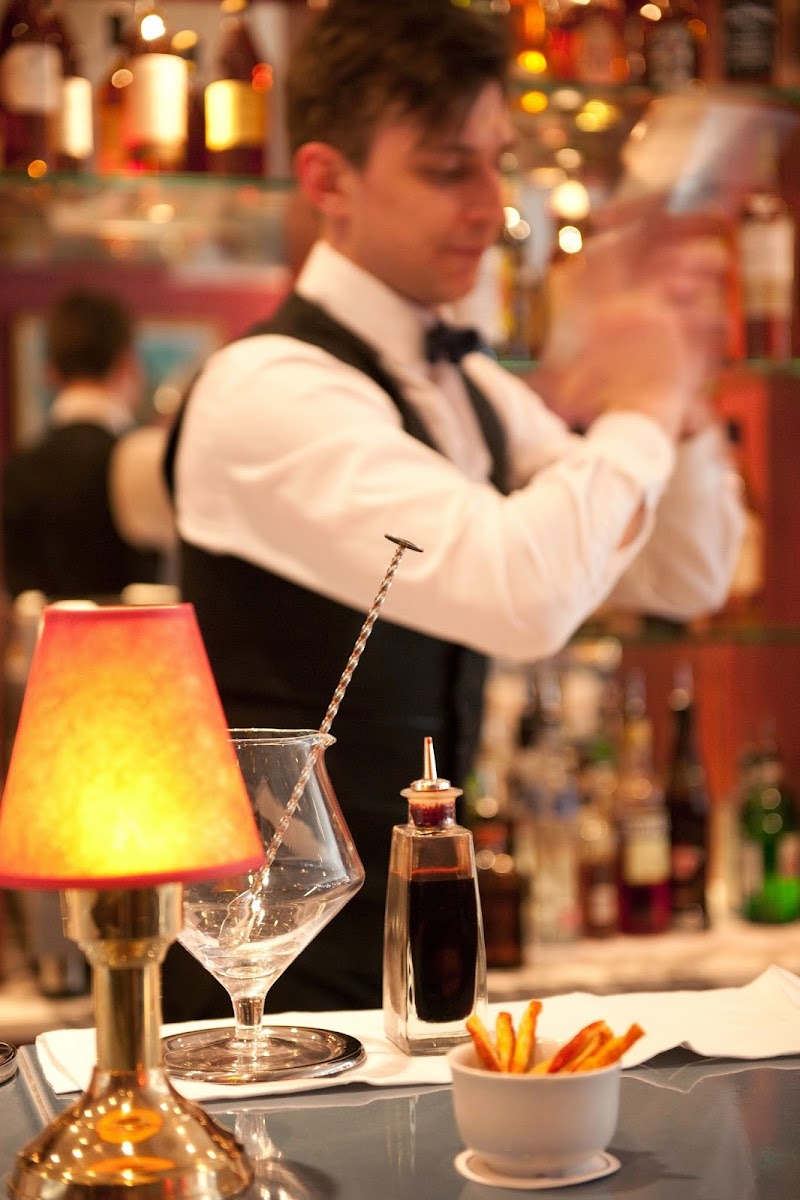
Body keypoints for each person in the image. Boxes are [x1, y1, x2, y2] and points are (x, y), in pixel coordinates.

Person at [163, 0, 744, 1019]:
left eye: (496, 164)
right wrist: (642, 403)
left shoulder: (469, 388)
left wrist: (677, 398)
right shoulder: (267, 390)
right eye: (446, 169)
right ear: (327, 181)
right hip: (264, 984)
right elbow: (523, 595)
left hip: (418, 965)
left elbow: (682, 574)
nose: (490, 206)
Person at [2, 287, 175, 601]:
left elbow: (19, 593)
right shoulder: (143, 462)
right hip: (136, 631)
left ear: (50, 372)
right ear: (128, 365)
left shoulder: (19, 468)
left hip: (44, 633)